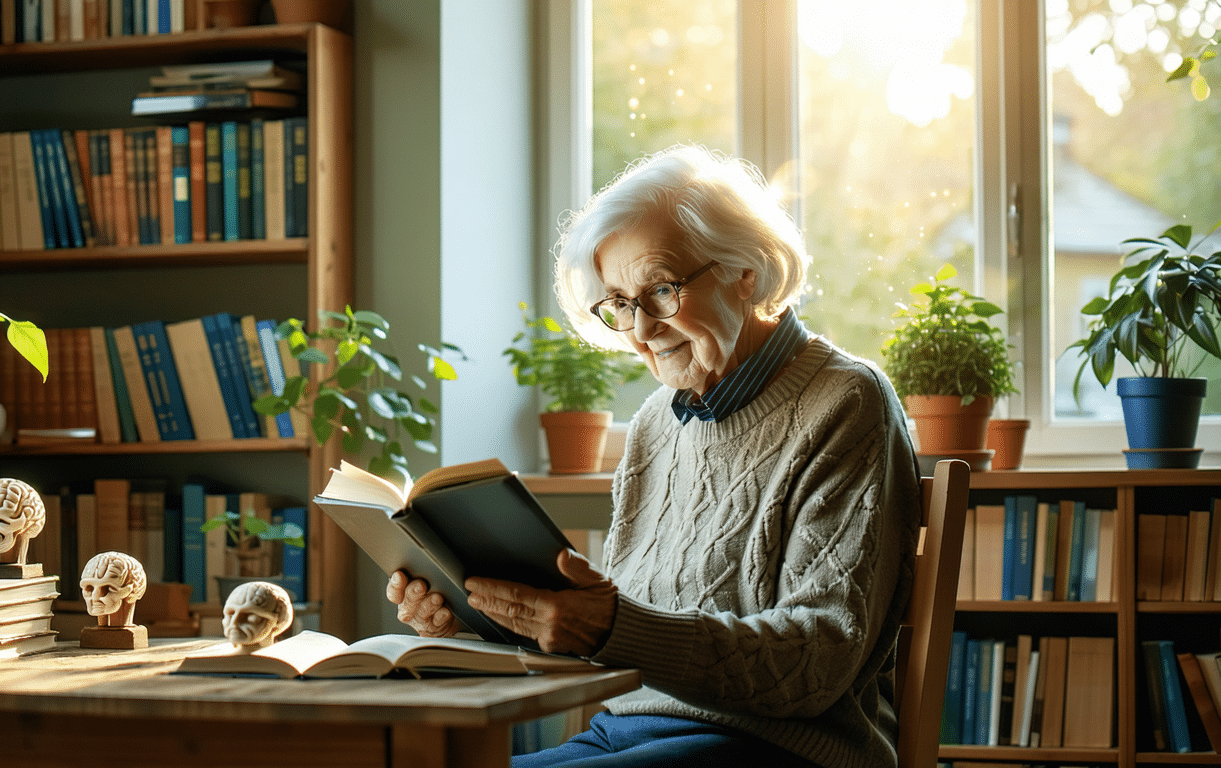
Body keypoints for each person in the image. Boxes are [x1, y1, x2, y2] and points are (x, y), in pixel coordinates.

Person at [387, 144, 922, 768]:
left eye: (661, 290)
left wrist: (614, 628)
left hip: (771, 749)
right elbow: (610, 640)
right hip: (622, 732)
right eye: (619, 303)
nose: (639, 329)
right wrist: (474, 617)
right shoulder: (653, 425)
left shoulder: (846, 400)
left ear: (744, 269)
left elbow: (815, 659)